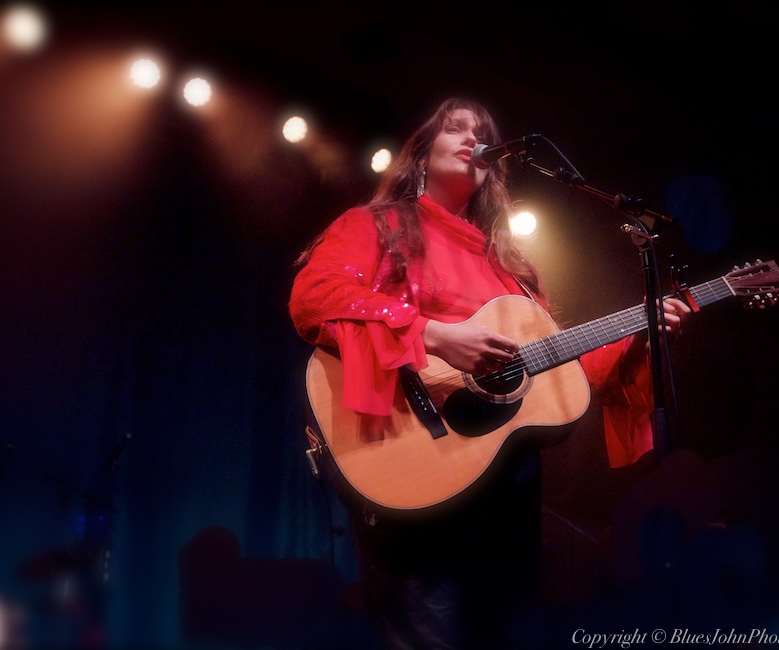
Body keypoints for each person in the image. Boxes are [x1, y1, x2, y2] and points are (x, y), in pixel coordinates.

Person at [288, 97, 691, 649]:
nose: (470, 139)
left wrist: (642, 330)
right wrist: (436, 336)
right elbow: (317, 297)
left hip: (505, 484)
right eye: (454, 129)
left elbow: (563, 369)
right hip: (410, 457)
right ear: (422, 154)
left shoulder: (511, 267)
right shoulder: (376, 226)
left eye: (480, 135)